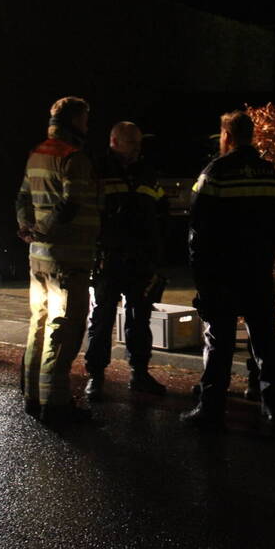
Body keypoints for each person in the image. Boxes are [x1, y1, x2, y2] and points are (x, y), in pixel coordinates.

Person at [181, 110, 275, 428]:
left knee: (219, 340)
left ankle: (211, 407)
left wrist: (201, 277)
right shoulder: (271, 174)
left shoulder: (215, 173)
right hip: (257, 270)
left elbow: (197, 229)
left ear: (226, 136)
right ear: (251, 135)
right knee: (265, 338)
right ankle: (273, 406)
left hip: (221, 273)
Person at [15, 96, 100, 427]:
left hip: (38, 259)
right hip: (68, 258)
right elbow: (71, 205)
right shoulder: (73, 158)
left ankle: (32, 396)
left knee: (38, 325)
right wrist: (41, 230)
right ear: (76, 122)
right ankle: (56, 404)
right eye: (86, 120)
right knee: (64, 328)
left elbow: (22, 197)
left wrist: (26, 228)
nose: (88, 126)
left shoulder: (37, 154)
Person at [84, 121, 168, 400]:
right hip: (108, 258)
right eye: (133, 143)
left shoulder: (146, 172)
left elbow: (160, 210)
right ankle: (95, 376)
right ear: (115, 142)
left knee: (140, 319)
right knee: (102, 319)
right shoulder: (98, 170)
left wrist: (156, 255)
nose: (137, 149)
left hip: (140, 259)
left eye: (139, 143)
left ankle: (139, 373)